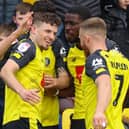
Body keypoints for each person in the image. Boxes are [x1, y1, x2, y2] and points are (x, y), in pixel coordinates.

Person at [0, 12, 62, 129]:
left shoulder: (37, 52)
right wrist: (22, 91)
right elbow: (5, 71)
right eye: (47, 31)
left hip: (26, 118)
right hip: (23, 117)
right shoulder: (29, 47)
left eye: (54, 33)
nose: (52, 37)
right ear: (33, 29)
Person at [79, 17, 129, 129]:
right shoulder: (123, 61)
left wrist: (99, 112)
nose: (80, 42)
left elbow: (104, 81)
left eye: (80, 38)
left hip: (100, 126)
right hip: (117, 125)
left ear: (87, 39)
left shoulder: (95, 59)